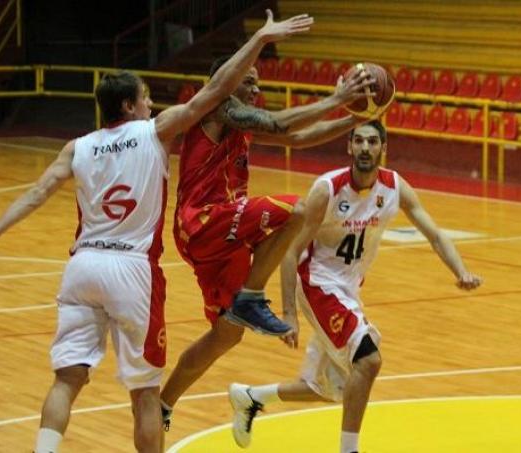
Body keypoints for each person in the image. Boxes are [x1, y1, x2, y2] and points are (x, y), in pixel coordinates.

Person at [0, 10, 314, 453]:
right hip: (131, 269)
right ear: (129, 106)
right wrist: (261, 39)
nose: (151, 105)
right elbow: (217, 89)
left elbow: (37, 193)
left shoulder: (77, 147)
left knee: (66, 380)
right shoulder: (155, 131)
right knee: (147, 394)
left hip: (82, 267)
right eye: (146, 98)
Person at [227, 120, 483, 453]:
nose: (365, 148)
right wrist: (290, 314)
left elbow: (434, 234)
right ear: (349, 147)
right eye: (359, 141)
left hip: (347, 289)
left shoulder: (393, 187)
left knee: (332, 387)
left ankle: (251, 397)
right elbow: (289, 251)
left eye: (372, 142)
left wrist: (461, 270)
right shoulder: (328, 190)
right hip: (318, 282)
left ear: (383, 148)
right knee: (368, 360)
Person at [161, 58, 387, 427]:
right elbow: (280, 123)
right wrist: (338, 99)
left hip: (220, 237)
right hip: (205, 219)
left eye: (257, 83)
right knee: (297, 211)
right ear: (225, 81)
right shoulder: (218, 107)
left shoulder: (240, 124)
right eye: (248, 81)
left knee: (226, 334)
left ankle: (163, 403)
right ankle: (252, 296)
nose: (256, 89)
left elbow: (295, 138)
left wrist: (356, 119)